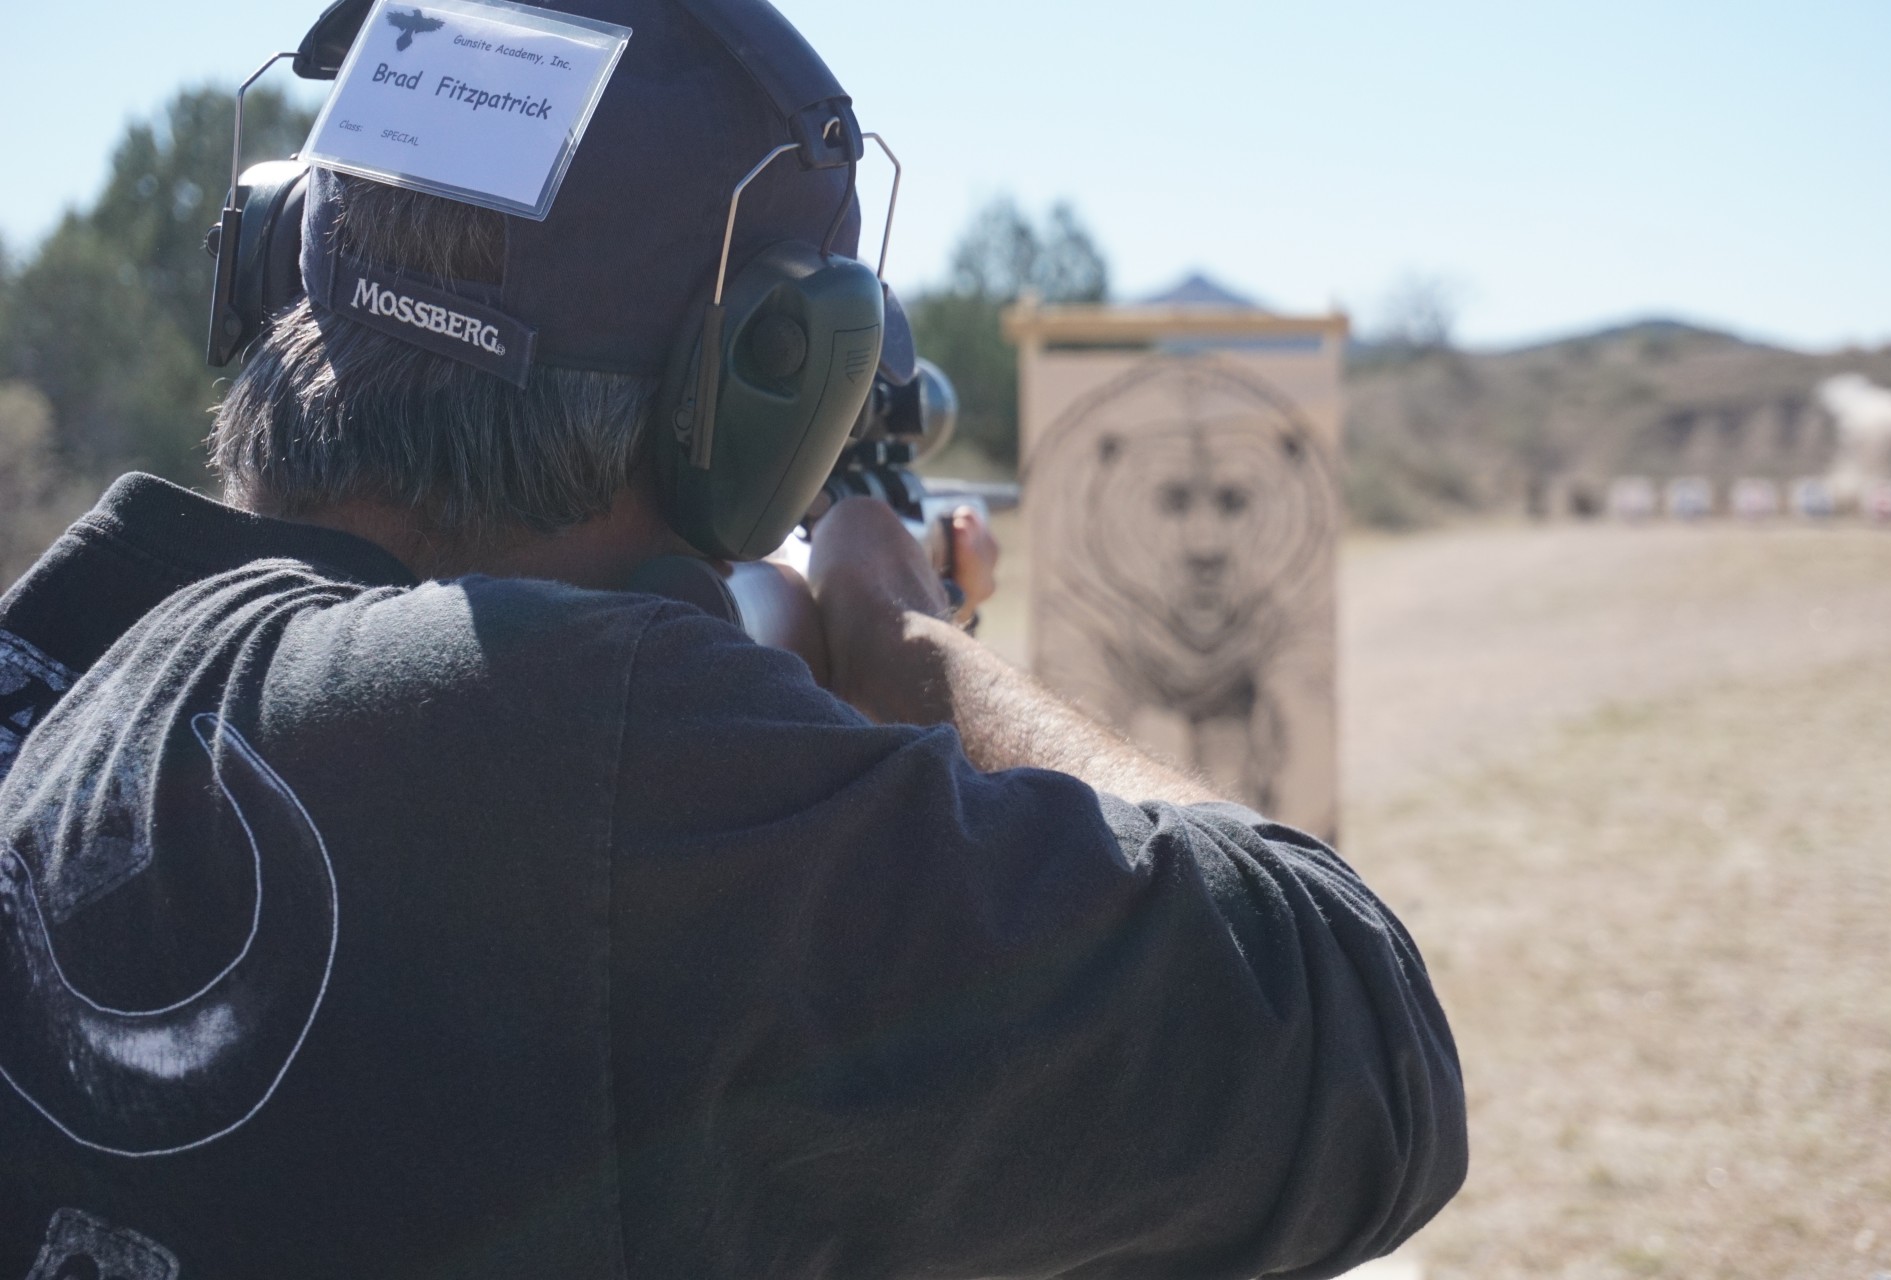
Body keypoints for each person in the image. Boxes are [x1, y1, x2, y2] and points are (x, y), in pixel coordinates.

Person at [0, 1, 1466, 1276]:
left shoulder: (65, 671)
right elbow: (1355, 1051)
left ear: (265, 263)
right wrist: (900, 638)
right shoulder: (594, 752)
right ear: (758, 403)